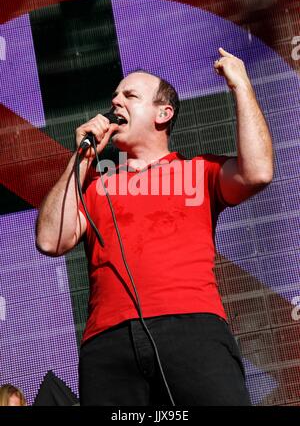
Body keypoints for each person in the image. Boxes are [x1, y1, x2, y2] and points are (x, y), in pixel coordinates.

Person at [36, 47, 273, 405]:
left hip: (191, 329)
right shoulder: (98, 186)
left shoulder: (198, 170)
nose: (116, 102)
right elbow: (50, 240)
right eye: (114, 96)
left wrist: (241, 86)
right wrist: (81, 159)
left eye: (130, 96)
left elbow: (257, 172)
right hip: (109, 343)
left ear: (164, 113)